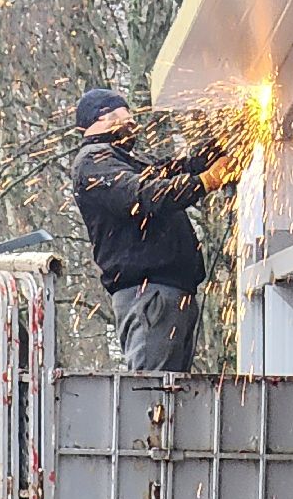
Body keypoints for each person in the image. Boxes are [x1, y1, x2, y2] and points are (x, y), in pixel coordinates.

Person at [69, 88, 241, 373]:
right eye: (118, 117)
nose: (129, 125)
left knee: (172, 396)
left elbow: (173, 171)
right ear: (95, 122)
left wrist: (221, 146)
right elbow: (145, 195)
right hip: (149, 296)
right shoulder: (93, 162)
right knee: (153, 394)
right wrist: (205, 181)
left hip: (167, 294)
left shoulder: (126, 161)